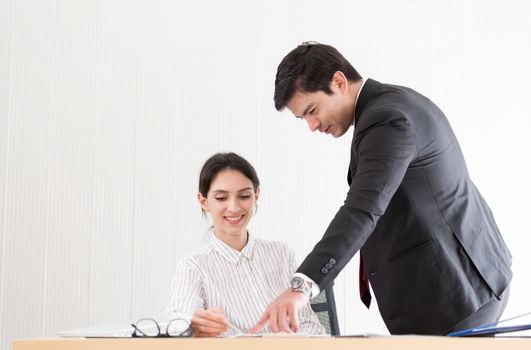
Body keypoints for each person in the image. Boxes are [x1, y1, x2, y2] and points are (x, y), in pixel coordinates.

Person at [251, 42, 512, 335]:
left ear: (338, 82)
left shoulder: (387, 120)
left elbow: (362, 209)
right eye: (303, 119)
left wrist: (303, 285)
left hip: (456, 293)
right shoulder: (389, 105)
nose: (312, 126)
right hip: (463, 282)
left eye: (312, 110)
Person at [164, 152, 325, 336]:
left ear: (256, 195)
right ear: (204, 201)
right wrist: (194, 326)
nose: (234, 207)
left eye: (244, 196)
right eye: (221, 198)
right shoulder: (193, 266)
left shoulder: (281, 254)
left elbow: (311, 326)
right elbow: (176, 323)